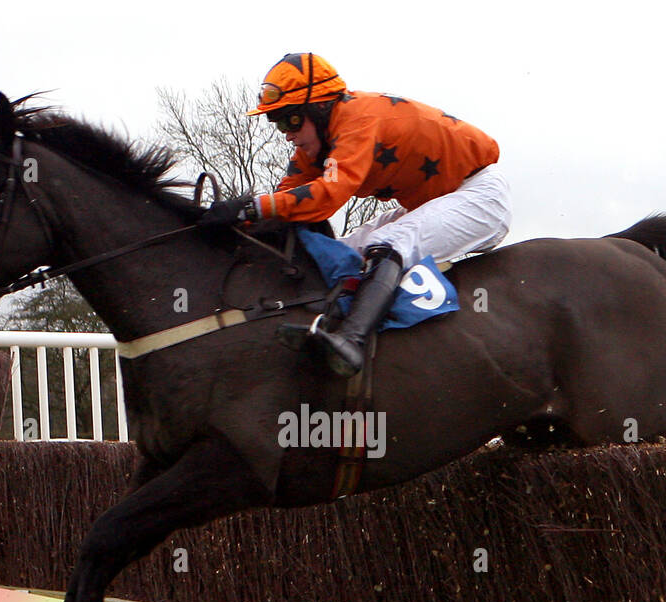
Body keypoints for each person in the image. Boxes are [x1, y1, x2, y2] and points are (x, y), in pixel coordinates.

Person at [201, 53, 511, 376]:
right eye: (276, 122)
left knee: (387, 242)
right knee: (348, 250)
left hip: (480, 196)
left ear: (319, 107)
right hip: (438, 200)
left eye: (290, 120)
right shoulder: (316, 145)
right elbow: (284, 201)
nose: (286, 133)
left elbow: (327, 196)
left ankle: (351, 340)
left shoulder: (356, 120)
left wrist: (252, 206)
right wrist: (236, 220)